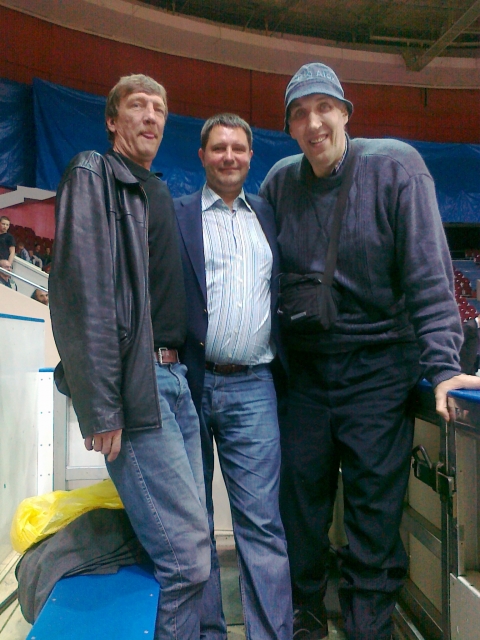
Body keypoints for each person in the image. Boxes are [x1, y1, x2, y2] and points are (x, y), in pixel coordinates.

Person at [259, 62, 480, 640]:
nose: (313, 123)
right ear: (289, 127)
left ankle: (368, 628)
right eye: (299, 114)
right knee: (299, 507)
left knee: (373, 516)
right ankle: (306, 617)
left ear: (345, 113)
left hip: (379, 370)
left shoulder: (395, 167)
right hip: (306, 375)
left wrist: (443, 367)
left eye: (323, 108)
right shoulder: (279, 182)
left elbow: (429, 274)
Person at [49, 73, 210, 640]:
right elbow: (81, 291)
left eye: (159, 108)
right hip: (139, 388)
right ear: (113, 121)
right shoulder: (94, 174)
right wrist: (101, 404)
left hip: (176, 381)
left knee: (190, 546)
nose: (151, 116)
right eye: (137, 105)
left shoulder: (154, 190)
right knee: (187, 559)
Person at [174, 113, 292, 640]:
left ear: (250, 156)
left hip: (254, 386)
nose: (229, 156)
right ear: (201, 156)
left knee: (262, 523)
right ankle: (207, 633)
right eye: (218, 148)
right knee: (193, 522)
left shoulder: (269, 216)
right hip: (189, 382)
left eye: (238, 148)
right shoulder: (176, 215)